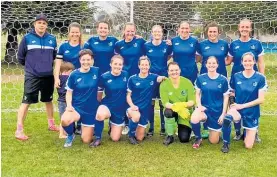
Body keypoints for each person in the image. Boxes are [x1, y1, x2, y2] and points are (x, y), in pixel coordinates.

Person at [15, 14, 59, 140]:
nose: (41, 25)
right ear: (34, 24)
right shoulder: (27, 38)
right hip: (32, 76)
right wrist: (32, 67)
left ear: (46, 25)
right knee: (26, 101)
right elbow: (21, 57)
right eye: (39, 22)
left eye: (44, 23)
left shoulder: (52, 39)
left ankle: (51, 124)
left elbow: (54, 56)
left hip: (48, 76)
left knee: (48, 100)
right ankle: (19, 129)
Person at [226, 18, 265, 142]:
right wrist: (209, 60)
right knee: (235, 103)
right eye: (242, 27)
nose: (244, 29)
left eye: (247, 27)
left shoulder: (256, 43)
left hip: (252, 79)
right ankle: (238, 132)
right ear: (239, 28)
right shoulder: (233, 44)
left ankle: (254, 130)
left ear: (250, 28)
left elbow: (260, 62)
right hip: (237, 79)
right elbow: (228, 61)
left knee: (253, 103)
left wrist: (261, 78)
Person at [221, 52, 267, 153]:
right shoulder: (236, 76)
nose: (248, 63)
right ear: (242, 62)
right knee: (228, 118)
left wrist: (242, 106)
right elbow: (231, 92)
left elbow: (261, 99)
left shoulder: (260, 78)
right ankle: (226, 143)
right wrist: (233, 104)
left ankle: (248, 131)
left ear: (254, 62)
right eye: (245, 61)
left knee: (248, 146)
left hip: (252, 111)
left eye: (250, 60)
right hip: (237, 109)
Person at [196, 21, 229, 139]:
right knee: (205, 99)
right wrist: (209, 67)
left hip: (220, 77)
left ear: (219, 32)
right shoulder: (202, 44)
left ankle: (222, 123)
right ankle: (205, 127)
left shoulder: (224, 44)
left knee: (221, 100)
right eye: (210, 31)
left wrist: (217, 67)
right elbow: (198, 58)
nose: (212, 33)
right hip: (206, 76)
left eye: (215, 31)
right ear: (207, 33)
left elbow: (229, 60)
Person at [61, 49, 99, 148]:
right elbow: (69, 92)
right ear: (79, 60)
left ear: (92, 60)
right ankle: (70, 134)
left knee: (86, 140)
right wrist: (69, 106)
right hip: (77, 108)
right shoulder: (74, 74)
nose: (86, 62)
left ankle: (85, 127)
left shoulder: (97, 71)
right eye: (83, 60)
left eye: (88, 60)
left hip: (91, 111)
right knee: (65, 120)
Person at [190, 56, 229, 149]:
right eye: (209, 63)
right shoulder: (201, 78)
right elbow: (197, 94)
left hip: (217, 111)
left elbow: (226, 97)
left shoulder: (223, 80)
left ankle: (215, 131)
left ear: (217, 65)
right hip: (204, 109)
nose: (211, 65)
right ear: (206, 65)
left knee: (214, 141)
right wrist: (199, 107)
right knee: (194, 118)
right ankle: (198, 138)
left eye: (214, 63)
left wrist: (223, 114)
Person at [89, 55, 128, 147]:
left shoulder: (126, 75)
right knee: (100, 114)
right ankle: (98, 138)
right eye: (115, 64)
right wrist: (98, 107)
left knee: (115, 138)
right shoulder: (104, 77)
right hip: (108, 105)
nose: (117, 66)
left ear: (122, 66)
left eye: (120, 64)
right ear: (110, 64)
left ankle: (112, 125)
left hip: (120, 109)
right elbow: (99, 93)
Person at [115, 22, 146, 135]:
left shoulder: (140, 41)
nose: (130, 33)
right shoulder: (118, 44)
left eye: (132, 31)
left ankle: (137, 121)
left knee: (135, 98)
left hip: (137, 77)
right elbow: (116, 59)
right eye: (128, 31)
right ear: (124, 31)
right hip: (123, 76)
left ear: (135, 31)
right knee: (123, 99)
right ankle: (125, 123)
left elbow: (152, 45)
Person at [126, 56, 166, 145]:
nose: (144, 67)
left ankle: (136, 128)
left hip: (145, 111)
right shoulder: (132, 79)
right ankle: (130, 135)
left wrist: (162, 77)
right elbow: (128, 96)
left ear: (149, 66)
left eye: (146, 65)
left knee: (140, 138)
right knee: (136, 116)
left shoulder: (153, 77)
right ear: (139, 66)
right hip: (134, 108)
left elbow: (162, 78)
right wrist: (132, 106)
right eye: (142, 65)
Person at [143, 25, 172, 137]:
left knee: (162, 102)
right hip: (150, 77)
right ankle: (151, 127)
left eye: (159, 32)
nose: (157, 33)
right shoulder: (146, 45)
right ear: (151, 33)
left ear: (162, 33)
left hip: (164, 77)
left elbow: (168, 57)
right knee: (150, 102)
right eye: (155, 32)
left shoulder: (167, 45)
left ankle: (163, 127)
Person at [54, 22, 83, 134]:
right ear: (69, 32)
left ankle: (80, 126)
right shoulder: (63, 46)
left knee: (79, 101)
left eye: (77, 32)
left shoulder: (83, 46)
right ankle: (66, 125)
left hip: (80, 79)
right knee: (65, 101)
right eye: (72, 32)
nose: (75, 34)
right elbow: (57, 64)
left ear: (80, 33)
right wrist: (56, 78)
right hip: (65, 79)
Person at [160, 62, 195, 146]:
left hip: (185, 113)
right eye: (171, 70)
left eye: (176, 70)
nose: (174, 72)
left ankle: (184, 126)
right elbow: (165, 103)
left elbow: (192, 102)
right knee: (168, 112)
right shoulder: (164, 84)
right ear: (168, 72)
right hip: (172, 110)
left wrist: (183, 106)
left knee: (184, 139)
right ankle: (170, 135)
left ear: (180, 70)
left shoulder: (187, 82)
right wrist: (177, 107)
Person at [56, 62, 74, 138]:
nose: (72, 73)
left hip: (60, 100)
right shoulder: (67, 78)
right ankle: (61, 134)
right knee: (64, 118)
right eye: (71, 72)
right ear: (66, 71)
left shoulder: (58, 78)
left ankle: (65, 132)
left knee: (63, 117)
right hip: (64, 101)